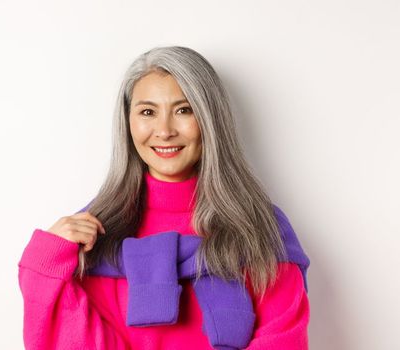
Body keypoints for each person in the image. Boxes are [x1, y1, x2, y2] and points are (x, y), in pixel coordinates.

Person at [17, 46, 310, 350]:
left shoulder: (260, 226)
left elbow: (283, 338)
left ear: (210, 120)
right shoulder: (95, 232)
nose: (165, 130)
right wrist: (46, 258)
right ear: (128, 123)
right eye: (148, 112)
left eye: (184, 110)